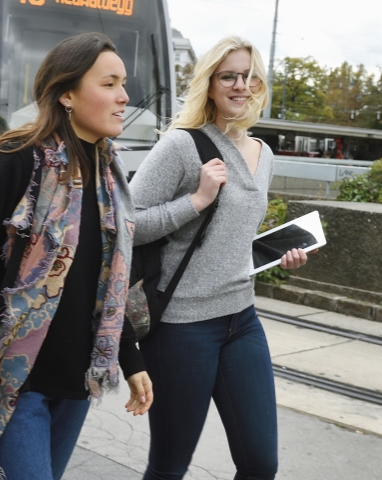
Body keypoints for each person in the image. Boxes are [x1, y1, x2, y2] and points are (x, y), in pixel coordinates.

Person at [0, 33, 152, 480]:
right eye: (109, 84)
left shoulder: (108, 175)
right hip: (13, 384)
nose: (124, 97)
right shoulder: (17, 160)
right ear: (66, 93)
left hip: (74, 386)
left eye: (124, 84)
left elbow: (105, 283)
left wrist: (131, 359)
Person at [130, 36, 310, 480]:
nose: (240, 85)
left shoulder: (264, 153)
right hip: (182, 327)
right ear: (209, 84)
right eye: (228, 75)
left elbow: (230, 237)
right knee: (170, 465)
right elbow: (126, 224)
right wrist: (196, 199)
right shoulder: (181, 146)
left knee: (259, 463)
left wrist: (278, 255)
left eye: (249, 77)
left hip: (242, 320)